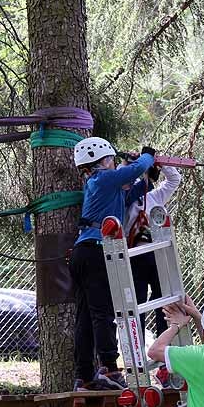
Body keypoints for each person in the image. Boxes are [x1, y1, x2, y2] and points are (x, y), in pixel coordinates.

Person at [70, 137, 154, 391]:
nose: (114, 163)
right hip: (96, 252)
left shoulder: (104, 187)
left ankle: (84, 375)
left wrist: (150, 177)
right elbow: (134, 170)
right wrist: (147, 156)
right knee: (102, 312)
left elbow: (137, 188)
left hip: (84, 252)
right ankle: (109, 367)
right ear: (102, 161)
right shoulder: (103, 179)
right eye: (111, 159)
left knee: (85, 317)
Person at [124, 162, 182, 336]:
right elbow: (122, 181)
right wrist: (130, 165)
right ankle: (138, 344)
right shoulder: (124, 200)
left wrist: (160, 163)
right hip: (135, 254)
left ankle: (164, 343)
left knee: (163, 297)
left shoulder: (155, 197)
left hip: (158, 253)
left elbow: (174, 179)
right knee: (138, 300)